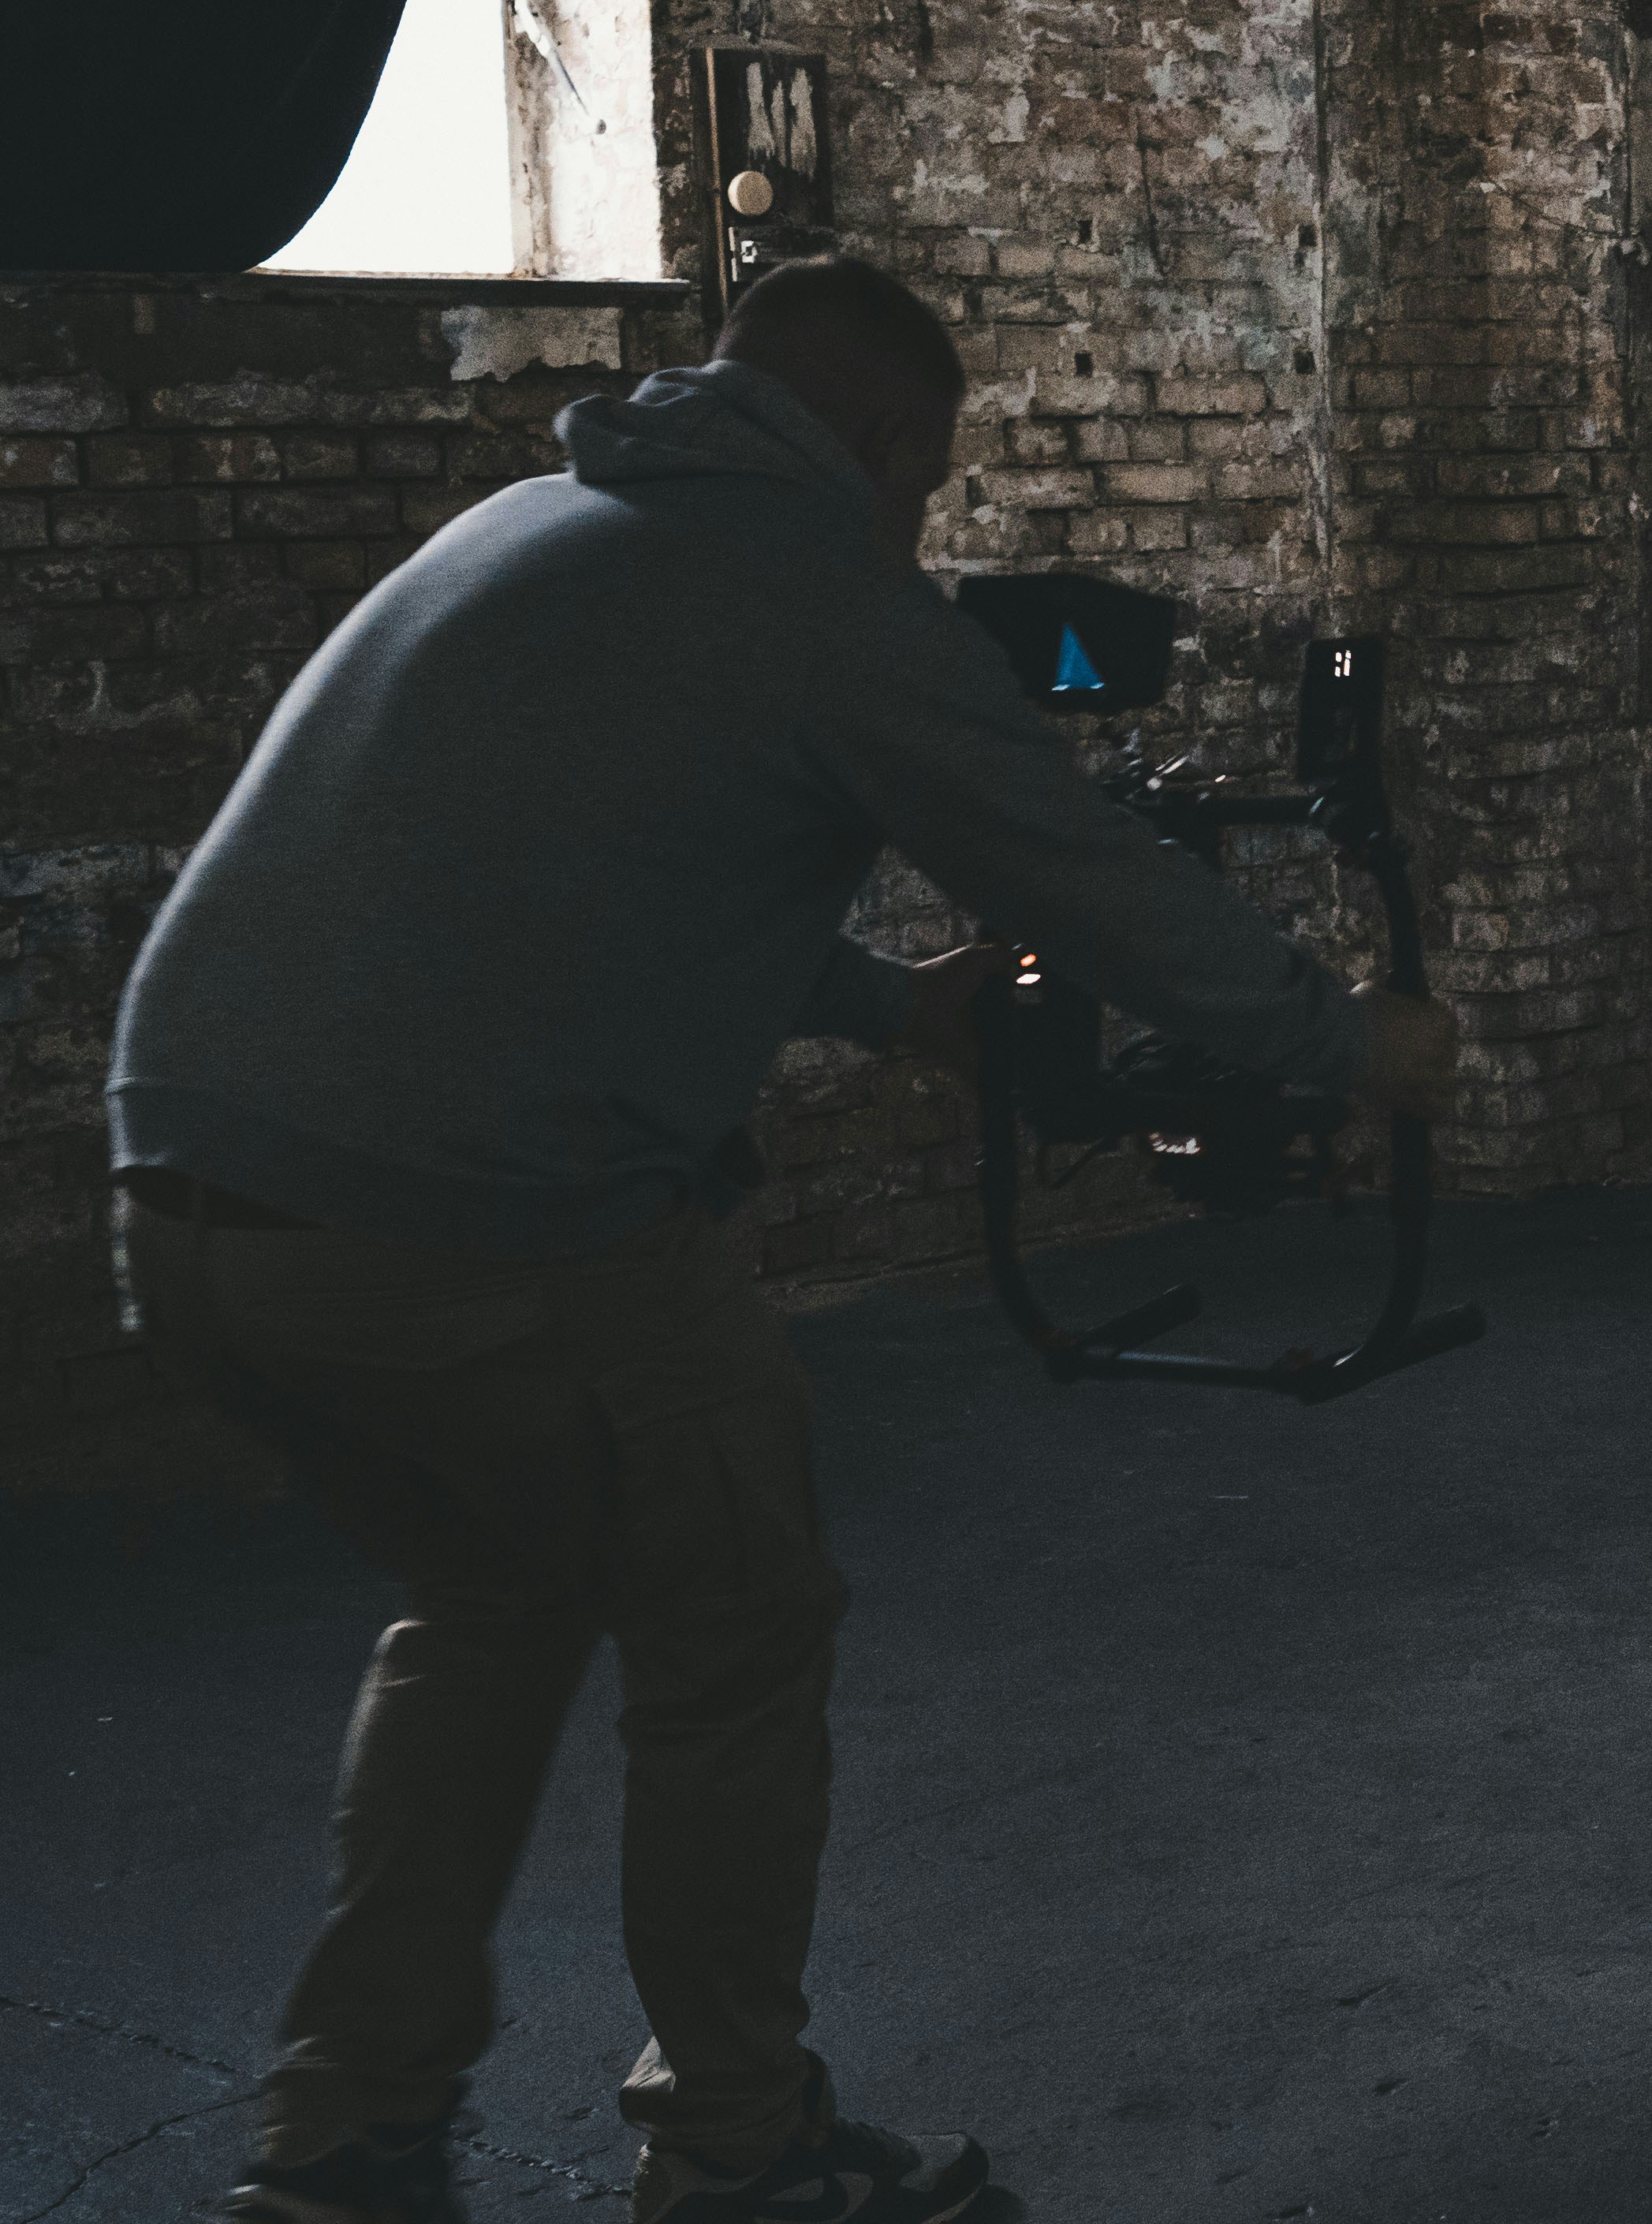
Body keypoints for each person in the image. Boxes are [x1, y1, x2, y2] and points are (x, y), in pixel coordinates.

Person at [105, 254, 1458, 2224]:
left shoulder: (535, 521)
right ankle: (737, 2148)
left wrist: (879, 1002)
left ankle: (343, 2140)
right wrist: (1356, 1042)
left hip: (198, 1193)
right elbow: (1083, 880)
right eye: (925, 482)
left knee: (489, 1606)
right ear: (886, 445)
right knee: (731, 1625)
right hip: (483, 1225)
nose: (917, 524)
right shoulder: (827, 587)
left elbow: (582, 875)